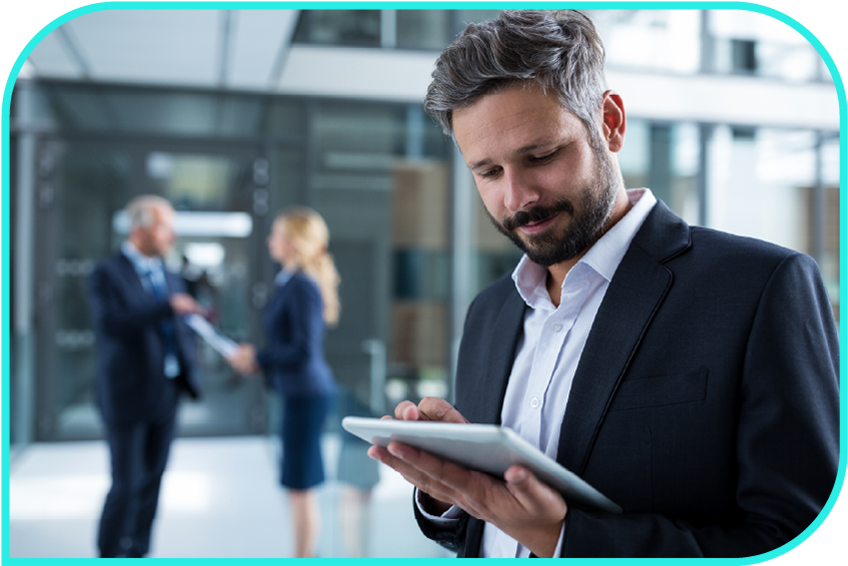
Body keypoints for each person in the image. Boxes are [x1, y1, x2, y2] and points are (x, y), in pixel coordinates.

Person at [367, 10, 839, 558]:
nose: (516, 197)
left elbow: (801, 541)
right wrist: (450, 490)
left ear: (610, 123)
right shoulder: (489, 313)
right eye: (488, 173)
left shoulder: (759, 290)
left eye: (540, 156)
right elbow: (482, 531)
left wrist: (564, 537)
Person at [88, 195, 205, 558]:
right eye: (165, 226)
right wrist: (166, 306)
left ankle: (139, 552)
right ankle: (109, 553)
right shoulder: (106, 272)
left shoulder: (169, 273)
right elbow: (111, 324)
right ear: (139, 229)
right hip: (126, 395)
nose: (172, 235)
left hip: (166, 393)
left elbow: (179, 327)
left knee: (153, 482)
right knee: (126, 484)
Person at [227, 207, 339, 558]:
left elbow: (302, 350)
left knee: (300, 485)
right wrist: (258, 359)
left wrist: (258, 358)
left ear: (292, 243)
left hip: (307, 395)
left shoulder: (302, 285)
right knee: (298, 484)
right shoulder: (291, 281)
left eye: (276, 234)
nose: (270, 240)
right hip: (299, 393)